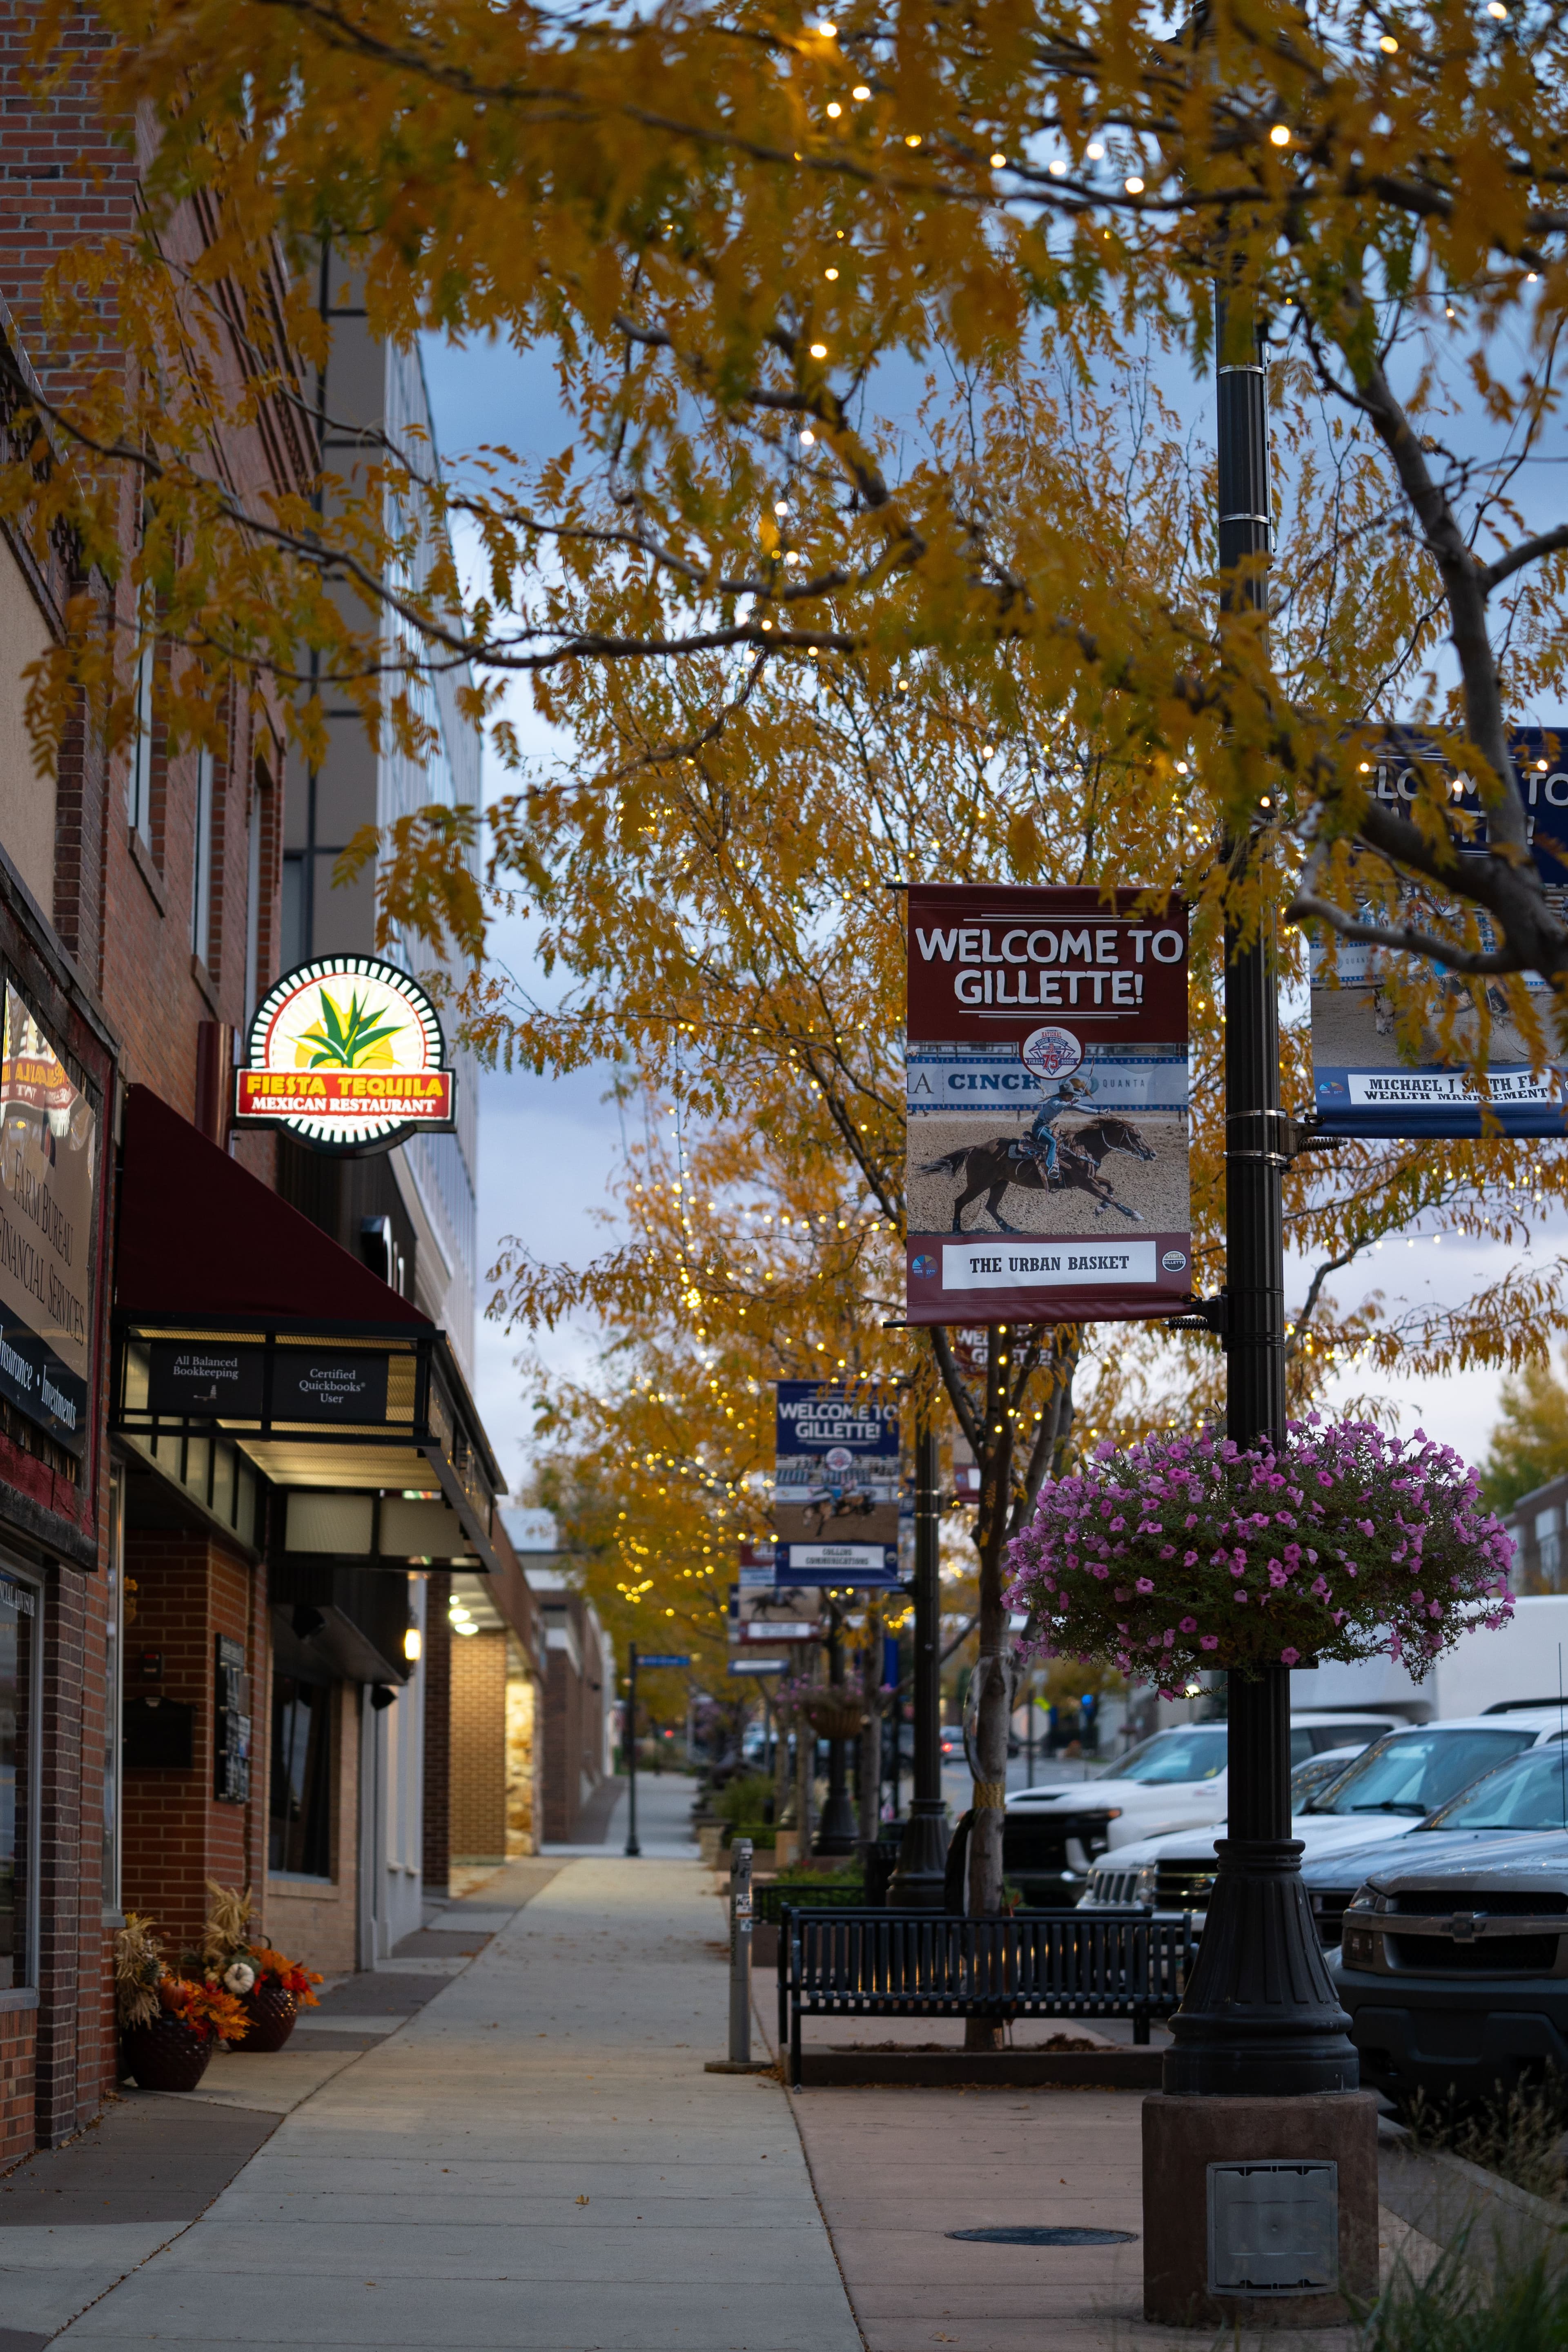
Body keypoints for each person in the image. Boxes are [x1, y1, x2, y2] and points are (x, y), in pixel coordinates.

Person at [1019, 1068, 1097, 1181]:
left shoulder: (1065, 1102)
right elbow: (1059, 1107)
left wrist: (1099, 1112)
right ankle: (1051, 1168)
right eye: (1071, 1095)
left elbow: (1081, 1109)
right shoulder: (1055, 1101)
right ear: (1065, 1095)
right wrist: (1072, 1103)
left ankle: (1057, 1161)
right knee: (1052, 1142)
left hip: (1045, 1127)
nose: (1072, 1097)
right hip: (1039, 1128)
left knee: (1060, 1139)